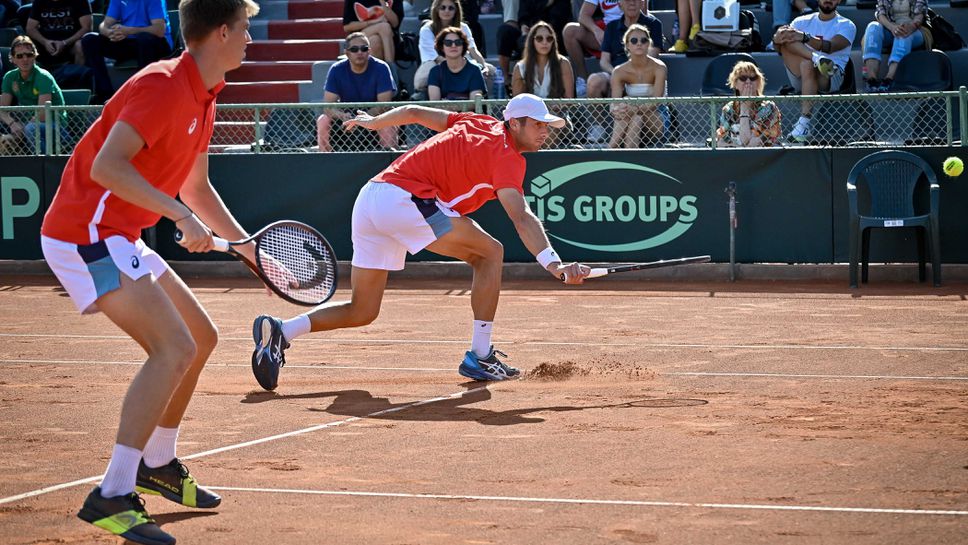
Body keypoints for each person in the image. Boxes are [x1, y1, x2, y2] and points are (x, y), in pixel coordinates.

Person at [40, 0, 260, 543]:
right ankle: (111, 494)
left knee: (201, 338)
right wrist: (180, 216)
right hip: (83, 233)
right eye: (247, 29)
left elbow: (195, 187)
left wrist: (246, 247)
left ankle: (156, 462)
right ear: (223, 31)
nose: (251, 39)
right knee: (174, 349)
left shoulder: (205, 93)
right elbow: (105, 167)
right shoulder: (162, 86)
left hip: (120, 232)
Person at [249, 94, 591, 391]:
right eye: (538, 124)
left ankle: (282, 331)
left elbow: (413, 111)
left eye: (547, 125)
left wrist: (374, 122)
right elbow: (521, 216)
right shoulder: (508, 157)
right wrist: (553, 263)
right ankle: (481, 356)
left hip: (371, 197)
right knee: (490, 253)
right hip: (406, 199)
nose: (546, 131)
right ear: (514, 124)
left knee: (362, 311)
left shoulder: (477, 121)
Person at [772, 0, 855, 143]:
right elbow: (779, 46)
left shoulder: (847, 25)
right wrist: (777, 38)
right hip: (801, 74)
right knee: (795, 52)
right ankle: (816, 58)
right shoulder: (800, 21)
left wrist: (804, 37)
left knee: (806, 64)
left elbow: (831, 46)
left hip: (830, 75)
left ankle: (804, 123)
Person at [317, 32, 397, 152]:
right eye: (354, 49)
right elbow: (328, 107)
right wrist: (342, 116)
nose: (359, 52)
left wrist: (363, 119)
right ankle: (324, 157)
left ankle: (390, 161)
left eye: (364, 49)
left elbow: (383, 105)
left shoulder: (382, 68)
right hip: (345, 117)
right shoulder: (336, 70)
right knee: (323, 120)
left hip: (375, 116)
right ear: (347, 53)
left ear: (369, 51)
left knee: (389, 121)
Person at [80, 0, 173, 103]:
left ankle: (145, 91)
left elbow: (159, 30)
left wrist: (128, 31)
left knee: (144, 39)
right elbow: (104, 25)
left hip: (156, 45)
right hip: (130, 42)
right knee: (90, 40)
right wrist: (109, 32)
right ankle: (105, 94)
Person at [0, 36, 67, 155]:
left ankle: (41, 160)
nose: (25, 59)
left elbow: (42, 114)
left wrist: (21, 128)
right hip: (27, 123)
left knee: (30, 129)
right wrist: (13, 124)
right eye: (20, 56)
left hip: (55, 126)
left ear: (35, 56)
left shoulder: (43, 76)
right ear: (13, 59)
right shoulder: (9, 77)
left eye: (29, 55)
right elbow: (2, 109)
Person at [608, 25, 667, 149]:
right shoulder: (619, 71)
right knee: (636, 118)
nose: (639, 43)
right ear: (627, 45)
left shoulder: (659, 67)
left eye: (644, 40)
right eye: (634, 41)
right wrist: (614, 109)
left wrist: (633, 108)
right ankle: (629, 153)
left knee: (630, 107)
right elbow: (615, 102)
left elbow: (656, 102)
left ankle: (611, 147)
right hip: (630, 116)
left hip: (656, 118)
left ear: (649, 44)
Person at [414, 0, 491, 93]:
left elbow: (473, 50)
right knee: (422, 80)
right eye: (443, 8)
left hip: (461, 60)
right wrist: (463, 69)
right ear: (436, 9)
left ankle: (486, 105)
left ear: (456, 11)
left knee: (491, 72)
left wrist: (484, 66)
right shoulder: (426, 29)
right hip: (435, 63)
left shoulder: (463, 27)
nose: (447, 11)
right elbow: (436, 57)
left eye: (451, 8)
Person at [495, 0, 572, 90]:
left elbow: (558, 20)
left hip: (551, 35)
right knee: (504, 31)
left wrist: (538, 31)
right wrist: (524, 27)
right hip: (529, 32)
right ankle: (506, 80)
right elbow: (523, 15)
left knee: (535, 40)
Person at [860, 0, 928, 93]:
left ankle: (889, 80)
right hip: (890, 28)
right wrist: (892, 27)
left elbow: (920, 15)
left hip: (914, 29)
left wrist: (910, 27)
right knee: (873, 26)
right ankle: (871, 80)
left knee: (903, 35)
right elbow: (880, 14)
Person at [562, 0, 623, 97]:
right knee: (570, 31)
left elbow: (642, 13)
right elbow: (583, 16)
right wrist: (596, 30)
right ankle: (583, 82)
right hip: (607, 31)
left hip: (630, 30)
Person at [715, 61, 782, 147]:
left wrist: (744, 108)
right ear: (735, 83)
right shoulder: (729, 109)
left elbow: (751, 142)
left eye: (753, 78)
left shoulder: (768, 107)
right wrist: (744, 147)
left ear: (758, 82)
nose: (748, 81)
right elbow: (721, 143)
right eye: (743, 78)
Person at [510, 22, 575, 99]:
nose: (545, 42)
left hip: (557, 110)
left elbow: (569, 99)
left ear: (553, 42)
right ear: (532, 41)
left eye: (549, 39)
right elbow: (517, 101)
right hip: (530, 110)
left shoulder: (563, 63)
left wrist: (553, 108)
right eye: (539, 38)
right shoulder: (520, 67)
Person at [25, 0, 93, 68]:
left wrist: (64, 43)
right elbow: (30, 28)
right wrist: (45, 42)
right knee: (25, 45)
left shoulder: (80, 1)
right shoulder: (39, 2)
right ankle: (31, 76)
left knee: (81, 45)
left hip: (71, 44)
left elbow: (86, 28)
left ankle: (78, 75)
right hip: (45, 44)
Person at [427, 26, 486, 101]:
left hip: (468, 112)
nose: (453, 46)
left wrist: (448, 105)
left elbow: (474, 103)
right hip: (443, 113)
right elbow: (434, 103)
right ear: (442, 47)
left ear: (463, 46)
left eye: (458, 42)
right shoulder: (435, 72)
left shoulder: (474, 70)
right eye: (448, 43)